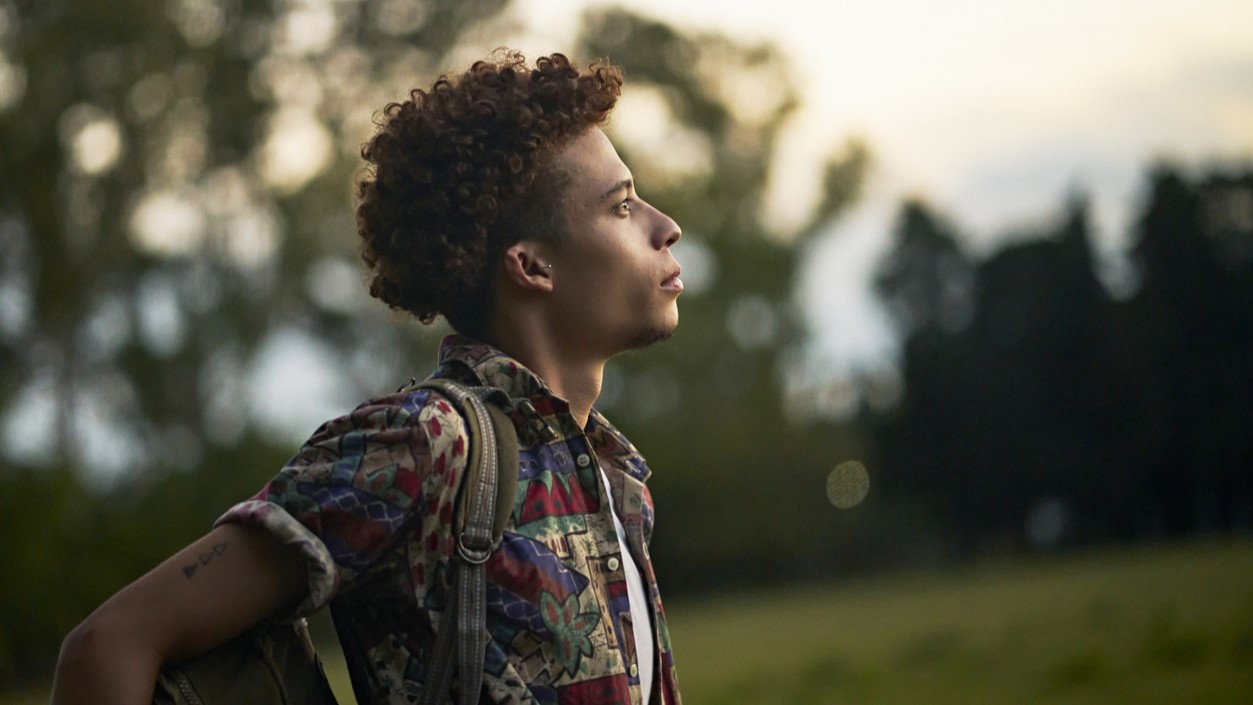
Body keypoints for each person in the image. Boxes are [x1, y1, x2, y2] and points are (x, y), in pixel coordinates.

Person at [51, 50, 684, 705]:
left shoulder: (612, 471)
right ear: (531, 265)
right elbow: (110, 643)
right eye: (621, 206)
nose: (665, 227)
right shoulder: (424, 444)